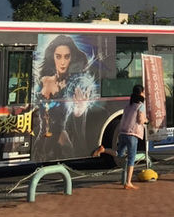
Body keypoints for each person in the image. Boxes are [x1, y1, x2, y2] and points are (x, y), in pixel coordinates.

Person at [34, 33, 96, 161]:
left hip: (60, 132)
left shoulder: (74, 85)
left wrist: (80, 109)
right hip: (40, 134)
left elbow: (77, 113)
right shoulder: (43, 81)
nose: (62, 62)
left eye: (66, 57)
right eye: (58, 57)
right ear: (53, 57)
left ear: (72, 58)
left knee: (68, 151)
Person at [93, 84, 147, 189]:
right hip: (133, 134)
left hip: (123, 133)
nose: (144, 94)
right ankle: (128, 182)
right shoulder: (141, 105)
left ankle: (103, 150)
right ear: (140, 94)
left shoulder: (129, 105)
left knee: (119, 153)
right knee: (131, 158)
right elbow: (140, 120)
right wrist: (146, 120)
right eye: (143, 92)